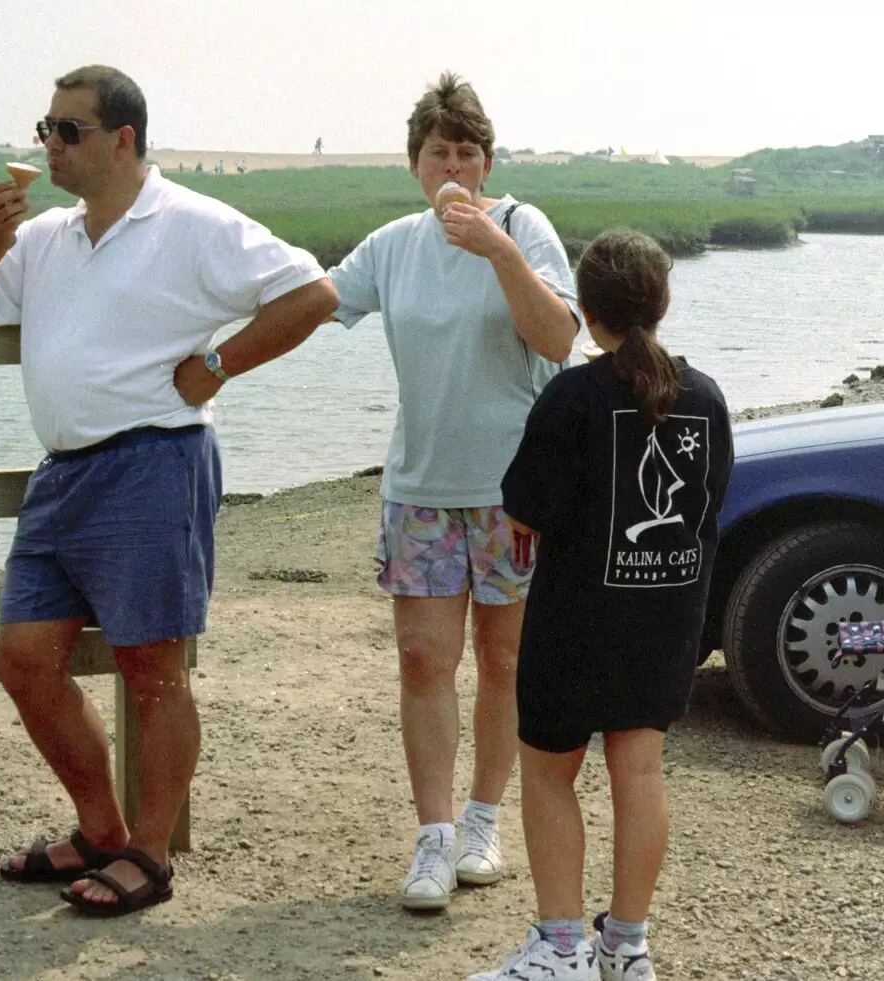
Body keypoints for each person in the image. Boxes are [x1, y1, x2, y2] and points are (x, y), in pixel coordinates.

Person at [0, 64, 338, 917]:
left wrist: (218, 365)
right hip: (63, 474)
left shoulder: (191, 223)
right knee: (26, 660)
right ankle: (101, 826)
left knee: (153, 670)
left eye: (67, 131)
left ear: (122, 140)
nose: (50, 147)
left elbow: (313, 292)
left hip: (155, 463)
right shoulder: (44, 239)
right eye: (45, 130)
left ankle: (150, 852)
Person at [325, 72, 580, 911]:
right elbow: (321, 296)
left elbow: (559, 339)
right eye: (440, 153)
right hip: (420, 488)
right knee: (423, 659)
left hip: (514, 491)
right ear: (415, 164)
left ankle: (484, 819)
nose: (455, 169)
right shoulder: (394, 244)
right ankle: (432, 837)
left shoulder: (524, 227)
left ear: (488, 162)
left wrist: (497, 250)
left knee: (506, 659)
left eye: (469, 154)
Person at [469, 228, 733, 980]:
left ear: (583, 307)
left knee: (551, 773)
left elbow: (524, 506)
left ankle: (559, 949)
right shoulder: (706, 398)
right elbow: (709, 506)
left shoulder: (572, 396)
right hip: (665, 617)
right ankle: (626, 945)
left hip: (577, 619)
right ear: (663, 301)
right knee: (640, 771)